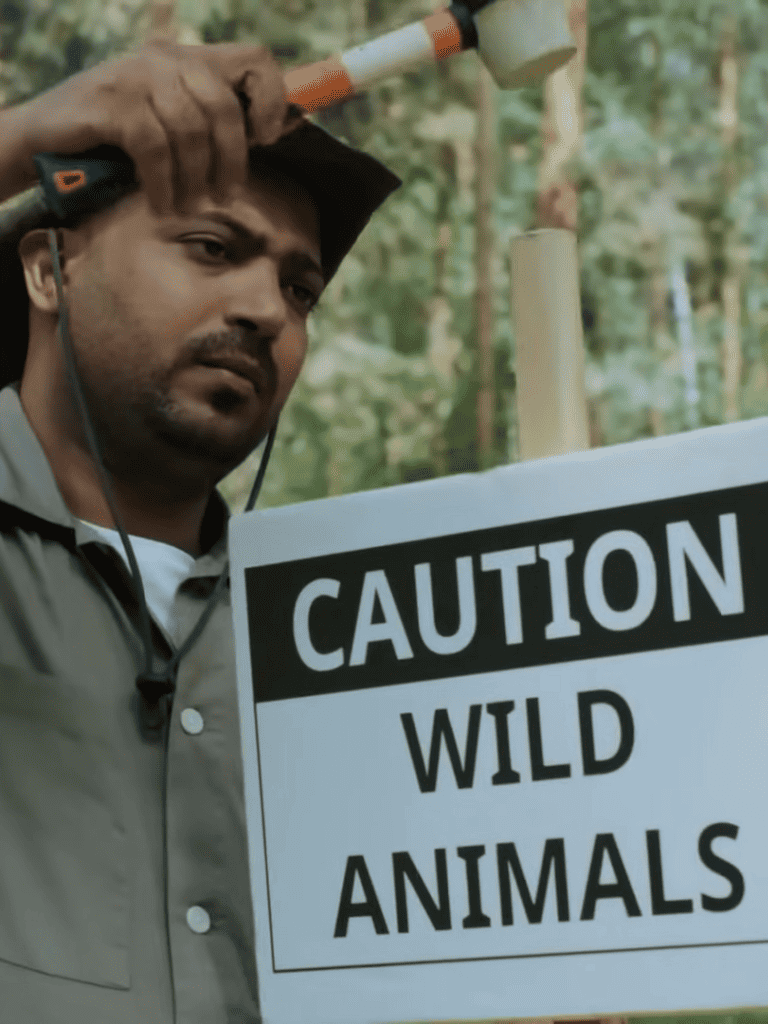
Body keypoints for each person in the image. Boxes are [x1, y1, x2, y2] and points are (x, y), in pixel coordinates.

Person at [0, 38, 400, 1023]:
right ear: (50, 268)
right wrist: (29, 132)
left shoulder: (335, 640)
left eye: (300, 289)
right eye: (214, 248)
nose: (266, 310)